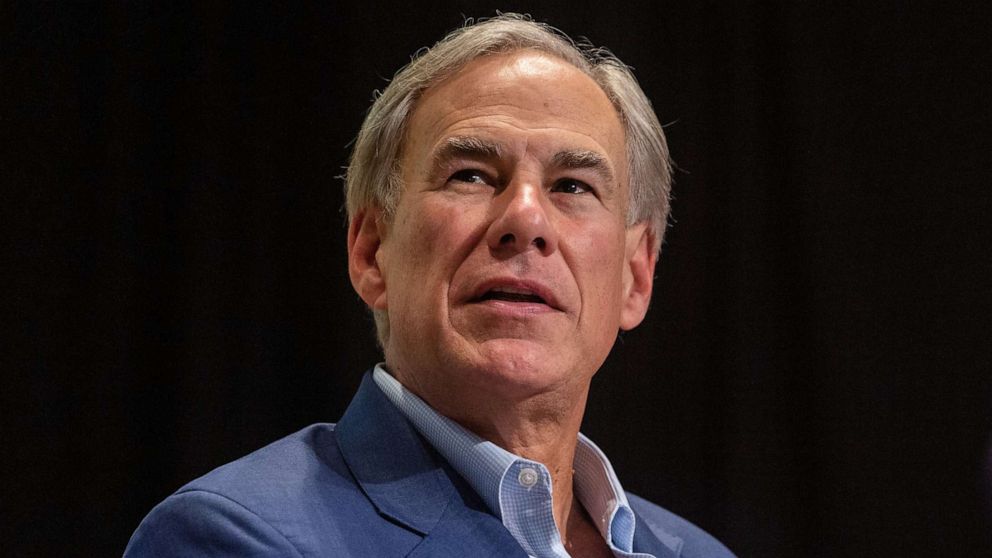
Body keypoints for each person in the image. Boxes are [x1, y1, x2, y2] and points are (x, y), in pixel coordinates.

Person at [125, 14, 735, 558]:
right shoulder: (232, 537)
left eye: (573, 186)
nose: (525, 219)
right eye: (470, 175)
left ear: (636, 275)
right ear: (371, 252)